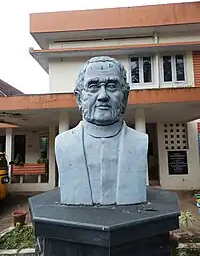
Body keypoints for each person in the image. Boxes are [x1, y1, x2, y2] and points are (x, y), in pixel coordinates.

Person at [55, 56, 148, 205]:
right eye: (93, 86)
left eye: (111, 86)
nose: (103, 96)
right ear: (79, 98)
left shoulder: (140, 142)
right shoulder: (63, 143)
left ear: (124, 97)